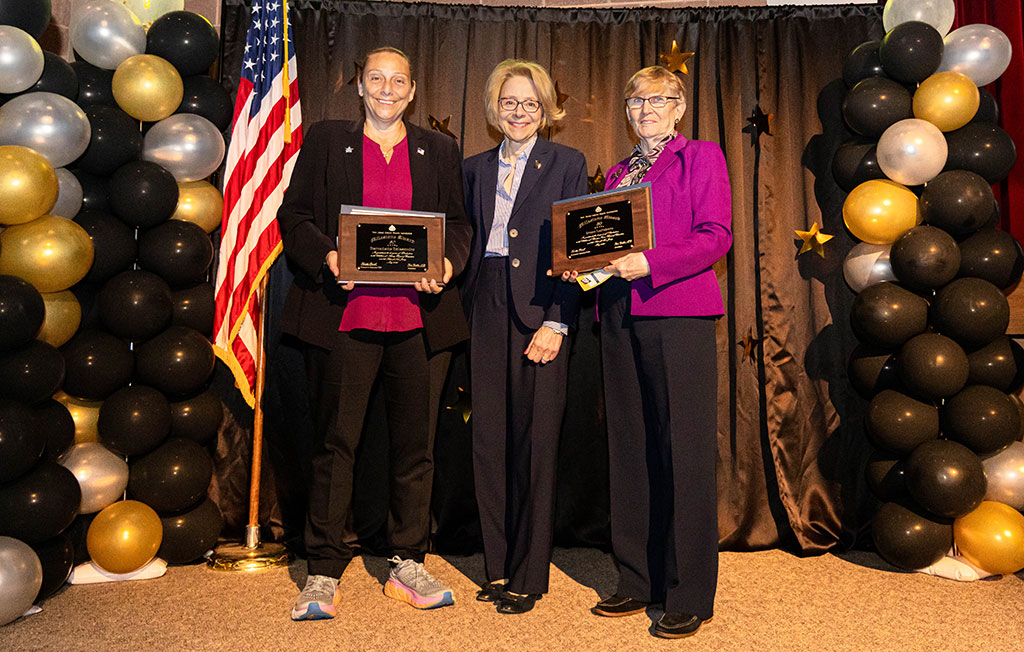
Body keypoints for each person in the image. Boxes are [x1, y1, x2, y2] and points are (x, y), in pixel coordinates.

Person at [276, 46, 472, 620]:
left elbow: (457, 225)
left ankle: (407, 560)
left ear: (413, 92)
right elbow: (295, 216)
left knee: (417, 447)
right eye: (377, 79)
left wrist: (448, 266)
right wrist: (328, 256)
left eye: (399, 82)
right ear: (359, 85)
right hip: (346, 317)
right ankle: (322, 569)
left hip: (418, 322)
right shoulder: (325, 138)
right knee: (335, 446)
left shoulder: (438, 150)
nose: (387, 89)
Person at [584, 65, 732, 638]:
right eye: (636, 102)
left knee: (685, 454)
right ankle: (636, 580)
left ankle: (689, 591)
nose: (646, 109)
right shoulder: (618, 172)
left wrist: (649, 262)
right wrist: (583, 267)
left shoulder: (702, 157)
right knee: (630, 448)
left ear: (679, 106)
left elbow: (715, 233)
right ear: (627, 113)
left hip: (679, 313)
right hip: (619, 315)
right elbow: (603, 243)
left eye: (658, 100)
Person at [461, 59, 587, 614]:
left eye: (529, 103)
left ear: (546, 111)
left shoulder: (568, 163)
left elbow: (580, 247)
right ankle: (497, 566)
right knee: (488, 441)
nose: (518, 112)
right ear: (495, 108)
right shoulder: (472, 167)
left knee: (536, 443)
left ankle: (529, 574)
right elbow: (461, 239)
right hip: (483, 304)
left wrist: (558, 321)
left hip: (542, 306)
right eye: (509, 102)